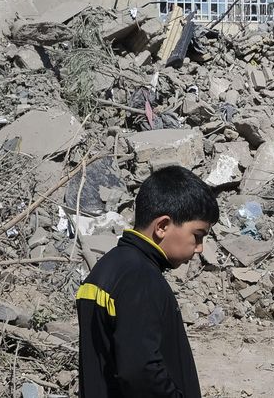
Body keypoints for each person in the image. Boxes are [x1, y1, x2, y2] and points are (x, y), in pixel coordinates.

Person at [76, 166, 219, 398]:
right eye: (197, 235)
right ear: (162, 226)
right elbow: (140, 372)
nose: (200, 248)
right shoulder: (140, 277)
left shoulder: (108, 268)